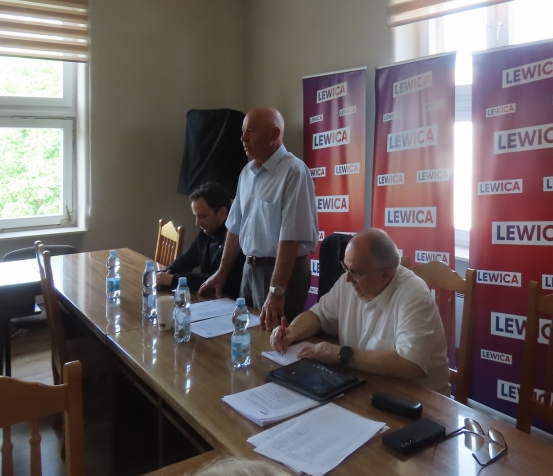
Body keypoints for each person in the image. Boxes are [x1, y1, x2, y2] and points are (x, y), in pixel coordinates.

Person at [271, 228, 451, 395]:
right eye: (345, 268)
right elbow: (318, 315)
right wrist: (291, 332)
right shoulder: (348, 282)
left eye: (355, 272)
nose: (347, 278)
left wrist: (341, 354)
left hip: (419, 401)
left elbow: (410, 364)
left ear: (386, 274)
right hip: (367, 387)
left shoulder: (414, 296)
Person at [200, 107, 318, 330]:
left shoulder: (293, 171)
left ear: (274, 134)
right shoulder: (247, 173)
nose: (243, 138)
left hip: (282, 275)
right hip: (250, 270)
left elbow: (290, 238)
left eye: (250, 131)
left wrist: (276, 291)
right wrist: (221, 272)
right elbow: (235, 228)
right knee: (248, 334)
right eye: (243, 131)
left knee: (277, 339)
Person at [156, 181, 245, 299]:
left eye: (203, 216)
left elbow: (217, 279)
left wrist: (173, 280)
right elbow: (185, 261)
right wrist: (163, 274)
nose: (197, 223)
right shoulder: (205, 233)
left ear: (223, 213)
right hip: (208, 299)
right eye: (196, 216)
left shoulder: (235, 240)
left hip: (229, 301)